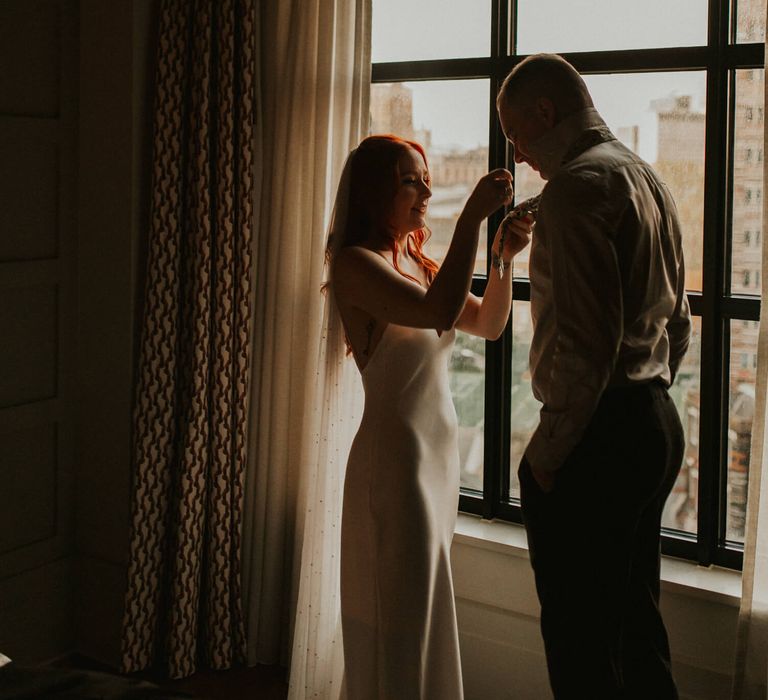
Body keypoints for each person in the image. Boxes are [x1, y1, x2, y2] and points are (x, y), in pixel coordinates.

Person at [496, 53, 692, 699]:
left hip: (600, 434)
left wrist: (550, 452)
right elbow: (681, 320)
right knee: (637, 622)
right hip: (654, 421)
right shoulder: (645, 176)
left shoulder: (576, 189)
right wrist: (649, 390)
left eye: (517, 135)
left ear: (546, 114)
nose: (519, 156)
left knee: (580, 642)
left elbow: (585, 345)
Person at [327, 134, 532, 699]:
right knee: (400, 616)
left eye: (425, 178)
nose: (425, 190)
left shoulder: (416, 264)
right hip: (393, 463)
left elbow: (487, 325)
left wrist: (500, 259)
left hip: (435, 461)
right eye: (410, 179)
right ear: (377, 191)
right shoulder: (354, 265)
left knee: (424, 608)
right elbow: (437, 312)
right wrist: (470, 215)